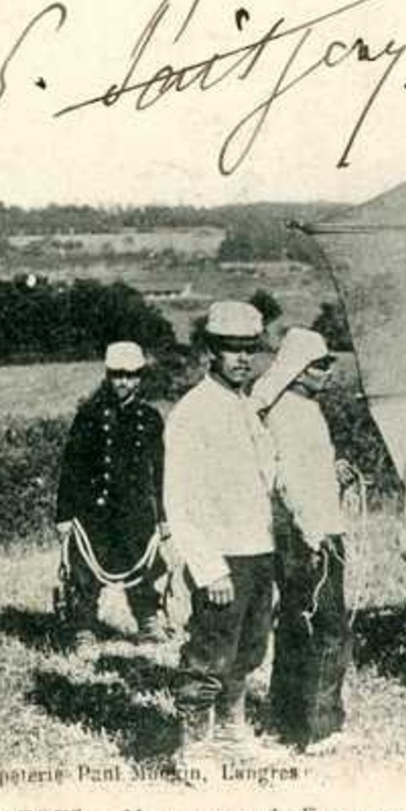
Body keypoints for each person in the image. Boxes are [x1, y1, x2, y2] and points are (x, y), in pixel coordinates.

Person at [165, 301, 280, 764]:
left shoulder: (246, 407)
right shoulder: (193, 411)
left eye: (250, 349)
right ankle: (193, 749)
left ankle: (232, 737)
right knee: (209, 654)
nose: (242, 359)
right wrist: (209, 569)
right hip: (221, 558)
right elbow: (181, 499)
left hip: (258, 548)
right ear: (211, 351)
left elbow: (264, 477)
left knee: (248, 651)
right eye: (231, 349)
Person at [253, 328, 356, 754]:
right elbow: (288, 483)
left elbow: (305, 473)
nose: (328, 372)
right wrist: (313, 535)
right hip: (309, 535)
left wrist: (334, 473)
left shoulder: (297, 409)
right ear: (298, 371)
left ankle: (285, 717)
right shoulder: (292, 413)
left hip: (304, 530)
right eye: (320, 365)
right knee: (328, 626)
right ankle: (320, 727)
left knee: (297, 622)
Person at [54, 342, 170, 651]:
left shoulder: (150, 418)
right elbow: (72, 468)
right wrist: (64, 516)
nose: (124, 383)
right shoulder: (89, 416)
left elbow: (160, 471)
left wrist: (163, 516)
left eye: (131, 376)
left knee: (143, 569)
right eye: (118, 375)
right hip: (94, 511)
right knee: (85, 573)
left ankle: (148, 622)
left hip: (135, 511)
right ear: (108, 376)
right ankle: (83, 628)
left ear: (140, 378)